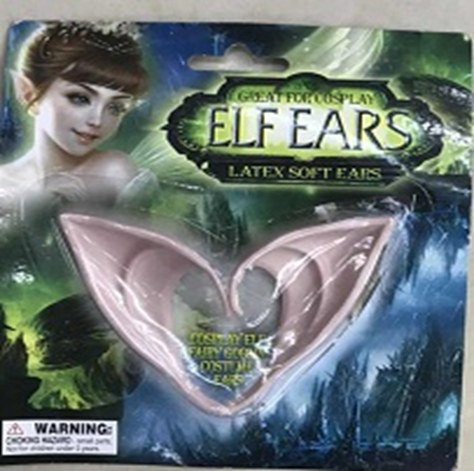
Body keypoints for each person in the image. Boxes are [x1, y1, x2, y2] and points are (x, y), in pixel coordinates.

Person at [0, 21, 149, 211]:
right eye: (79, 98)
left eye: (115, 107)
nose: (97, 121)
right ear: (28, 93)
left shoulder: (112, 171)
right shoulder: (4, 183)